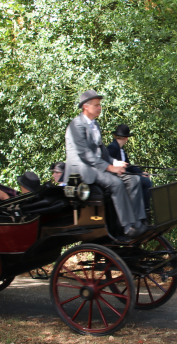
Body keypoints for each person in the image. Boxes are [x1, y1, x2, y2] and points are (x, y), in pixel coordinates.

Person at [65, 89, 147, 238]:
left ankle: (138, 221)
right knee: (116, 183)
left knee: (134, 179)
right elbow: (85, 154)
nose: (100, 108)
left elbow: (102, 152)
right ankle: (127, 227)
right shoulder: (76, 125)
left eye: (99, 105)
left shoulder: (95, 124)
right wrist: (110, 168)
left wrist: (116, 162)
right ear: (86, 106)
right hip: (83, 169)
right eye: (96, 105)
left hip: (98, 166)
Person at [107, 124, 153, 213]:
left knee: (145, 179)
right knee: (146, 182)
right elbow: (109, 164)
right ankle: (146, 210)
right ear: (126, 138)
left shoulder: (120, 149)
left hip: (126, 176)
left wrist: (141, 173)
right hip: (118, 178)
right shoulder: (112, 148)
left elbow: (129, 166)